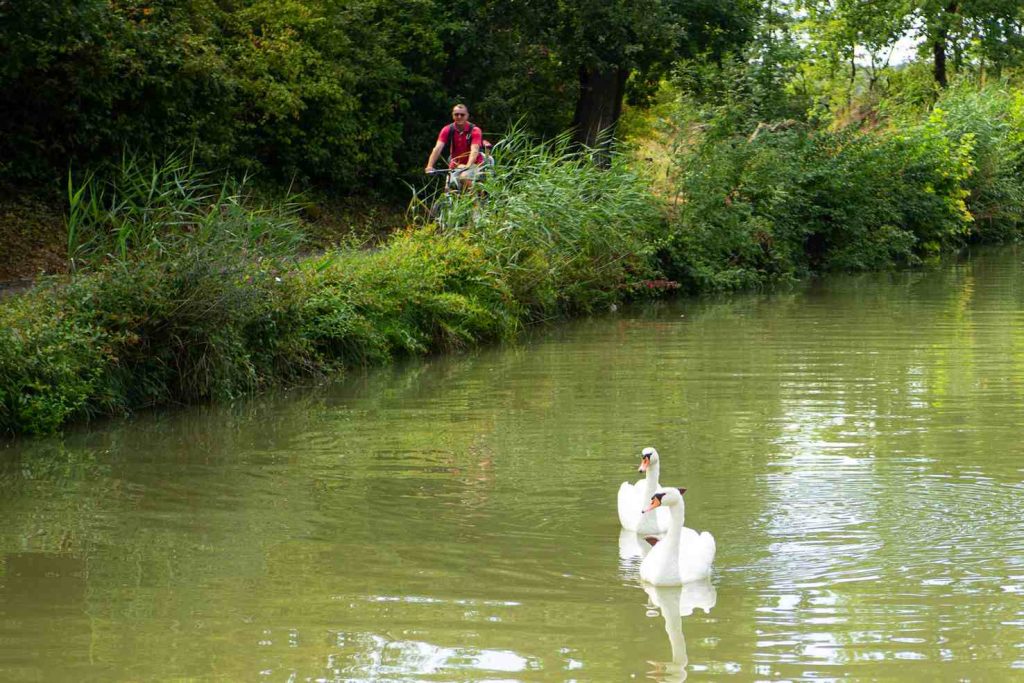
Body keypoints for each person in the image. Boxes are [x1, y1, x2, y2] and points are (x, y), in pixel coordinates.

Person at [425, 104, 485, 191]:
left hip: (474, 164)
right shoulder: (447, 129)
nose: (459, 117)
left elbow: (474, 151)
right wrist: (429, 166)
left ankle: (478, 201)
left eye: (462, 115)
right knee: (448, 189)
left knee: (463, 178)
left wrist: (467, 166)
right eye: (456, 114)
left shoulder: (475, 130)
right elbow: (437, 148)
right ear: (453, 115)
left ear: (467, 116)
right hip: (455, 165)